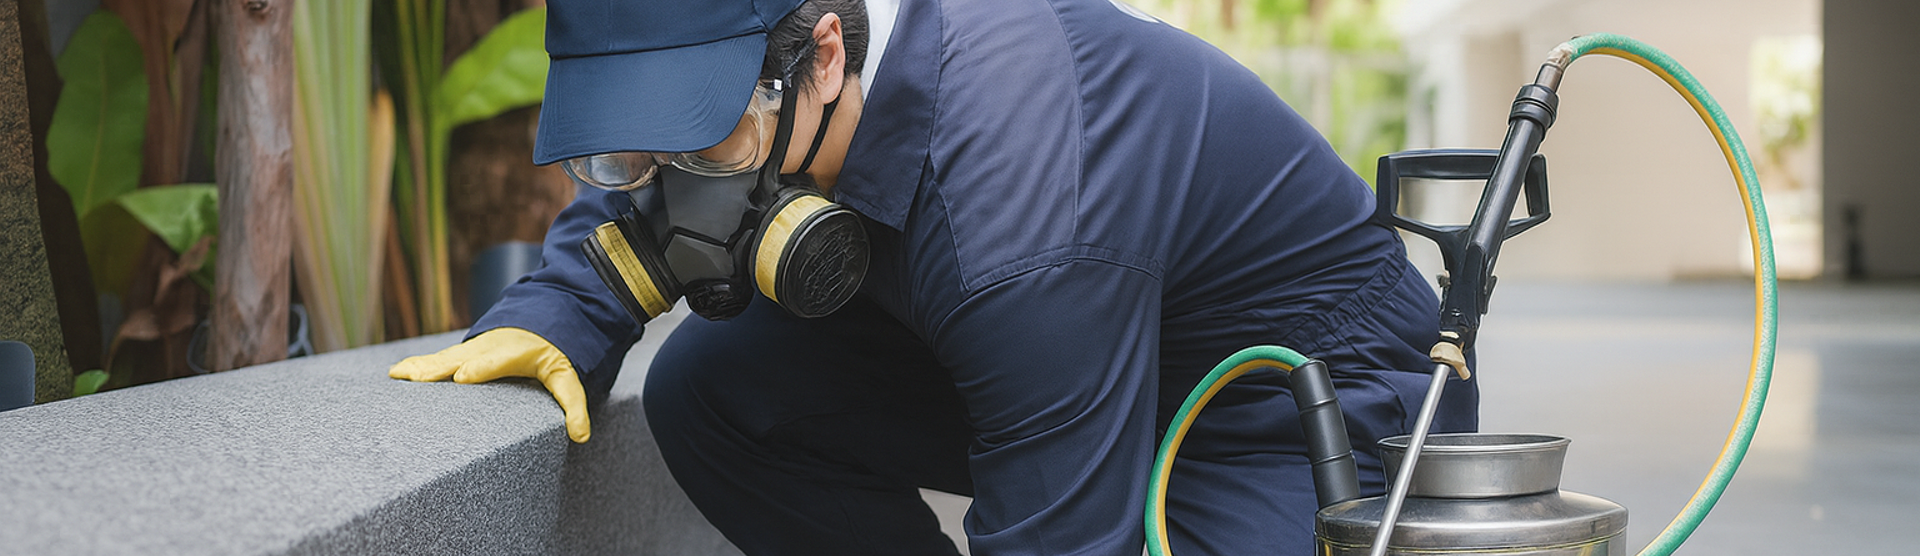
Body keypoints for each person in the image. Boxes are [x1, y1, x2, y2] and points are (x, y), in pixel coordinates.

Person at [390, 0, 1479, 553]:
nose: (671, 184)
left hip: (1296, 407)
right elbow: (660, 153)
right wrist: (568, 303)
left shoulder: (1022, 213)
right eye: (640, 151)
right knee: (714, 390)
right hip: (1064, 350)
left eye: (704, 140)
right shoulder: (782, 71)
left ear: (821, 55)